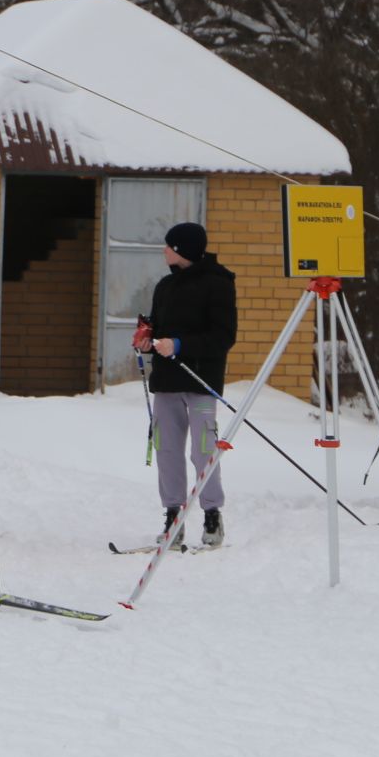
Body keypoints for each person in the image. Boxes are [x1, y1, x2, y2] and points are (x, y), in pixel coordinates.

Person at [137, 220, 237, 547]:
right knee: (166, 449)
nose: (164, 251)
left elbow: (223, 337)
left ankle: (211, 515)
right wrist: (146, 337)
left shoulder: (218, 284)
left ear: (182, 250)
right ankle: (173, 516)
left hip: (201, 383)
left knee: (203, 448)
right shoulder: (165, 286)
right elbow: (157, 325)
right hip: (166, 383)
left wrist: (178, 345)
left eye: (168, 245)